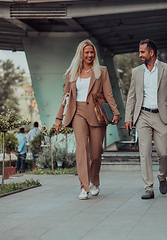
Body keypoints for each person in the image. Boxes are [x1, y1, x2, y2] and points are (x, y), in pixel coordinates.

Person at [55, 39, 119, 200]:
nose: (90, 55)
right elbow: (66, 96)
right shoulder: (71, 73)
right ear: (81, 55)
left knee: (96, 152)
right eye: (87, 52)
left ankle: (94, 181)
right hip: (77, 112)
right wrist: (58, 117)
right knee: (81, 149)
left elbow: (109, 94)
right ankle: (84, 186)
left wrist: (115, 112)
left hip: (97, 113)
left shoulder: (101, 71)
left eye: (92, 52)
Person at [125, 39, 167, 200]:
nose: (140, 55)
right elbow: (131, 95)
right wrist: (128, 117)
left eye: (142, 52)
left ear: (151, 52)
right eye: (139, 52)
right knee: (144, 154)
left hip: (161, 116)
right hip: (142, 116)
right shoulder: (137, 72)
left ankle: (162, 177)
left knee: (164, 153)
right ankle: (148, 188)